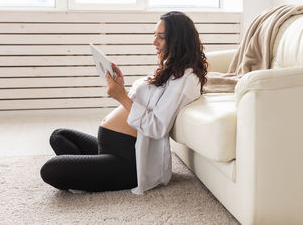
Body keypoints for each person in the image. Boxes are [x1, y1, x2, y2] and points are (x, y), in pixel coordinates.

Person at [40, 11, 208, 194]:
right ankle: (93, 174)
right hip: (110, 148)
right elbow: (143, 105)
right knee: (59, 136)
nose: (154, 42)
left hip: (129, 159)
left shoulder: (186, 80)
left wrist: (121, 97)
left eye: (161, 37)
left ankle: (95, 175)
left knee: (51, 169)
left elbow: (158, 127)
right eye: (154, 36)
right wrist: (122, 88)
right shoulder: (169, 70)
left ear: (179, 39)